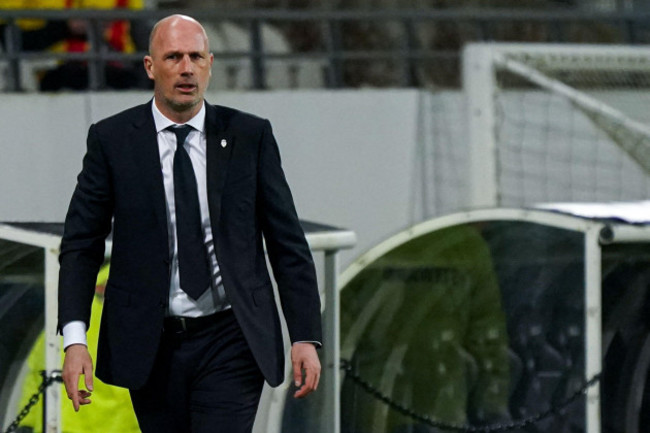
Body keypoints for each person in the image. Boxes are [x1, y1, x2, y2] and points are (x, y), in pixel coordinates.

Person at [58, 14, 322, 433]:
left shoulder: (248, 136)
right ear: (150, 66)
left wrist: (305, 334)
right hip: (150, 342)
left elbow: (286, 242)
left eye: (196, 57)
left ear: (210, 64)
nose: (186, 68)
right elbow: (80, 244)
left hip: (232, 337)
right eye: (174, 57)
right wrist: (74, 340)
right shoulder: (112, 140)